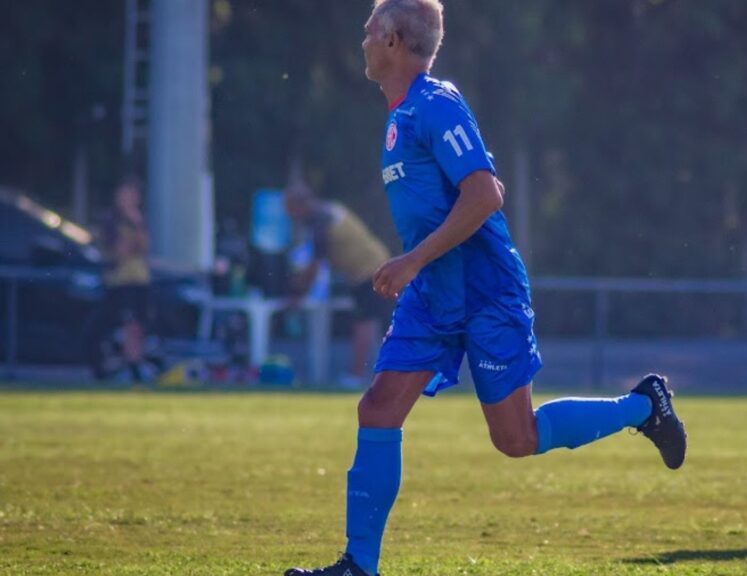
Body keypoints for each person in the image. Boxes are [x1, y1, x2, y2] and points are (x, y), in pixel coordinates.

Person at [284, 1, 687, 575]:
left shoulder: (436, 105)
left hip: (484, 291)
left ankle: (644, 405)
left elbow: (485, 194)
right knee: (377, 410)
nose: (364, 39)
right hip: (432, 294)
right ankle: (359, 565)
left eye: (371, 30)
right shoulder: (399, 115)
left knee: (516, 438)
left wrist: (411, 260)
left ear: (395, 40)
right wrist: (418, 268)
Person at [284, 177, 393, 387]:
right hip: (377, 265)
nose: (288, 214)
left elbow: (316, 265)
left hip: (368, 272)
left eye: (288, 208)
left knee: (366, 324)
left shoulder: (319, 221)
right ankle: (384, 375)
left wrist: (298, 295)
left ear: (298, 206)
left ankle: (358, 375)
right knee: (381, 324)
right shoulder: (328, 210)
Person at [96, 175, 152, 381]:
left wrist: (137, 227)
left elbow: (144, 247)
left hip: (139, 280)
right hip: (119, 281)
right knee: (124, 325)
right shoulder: (112, 220)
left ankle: (136, 365)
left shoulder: (139, 220)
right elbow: (121, 251)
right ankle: (125, 367)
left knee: (137, 326)